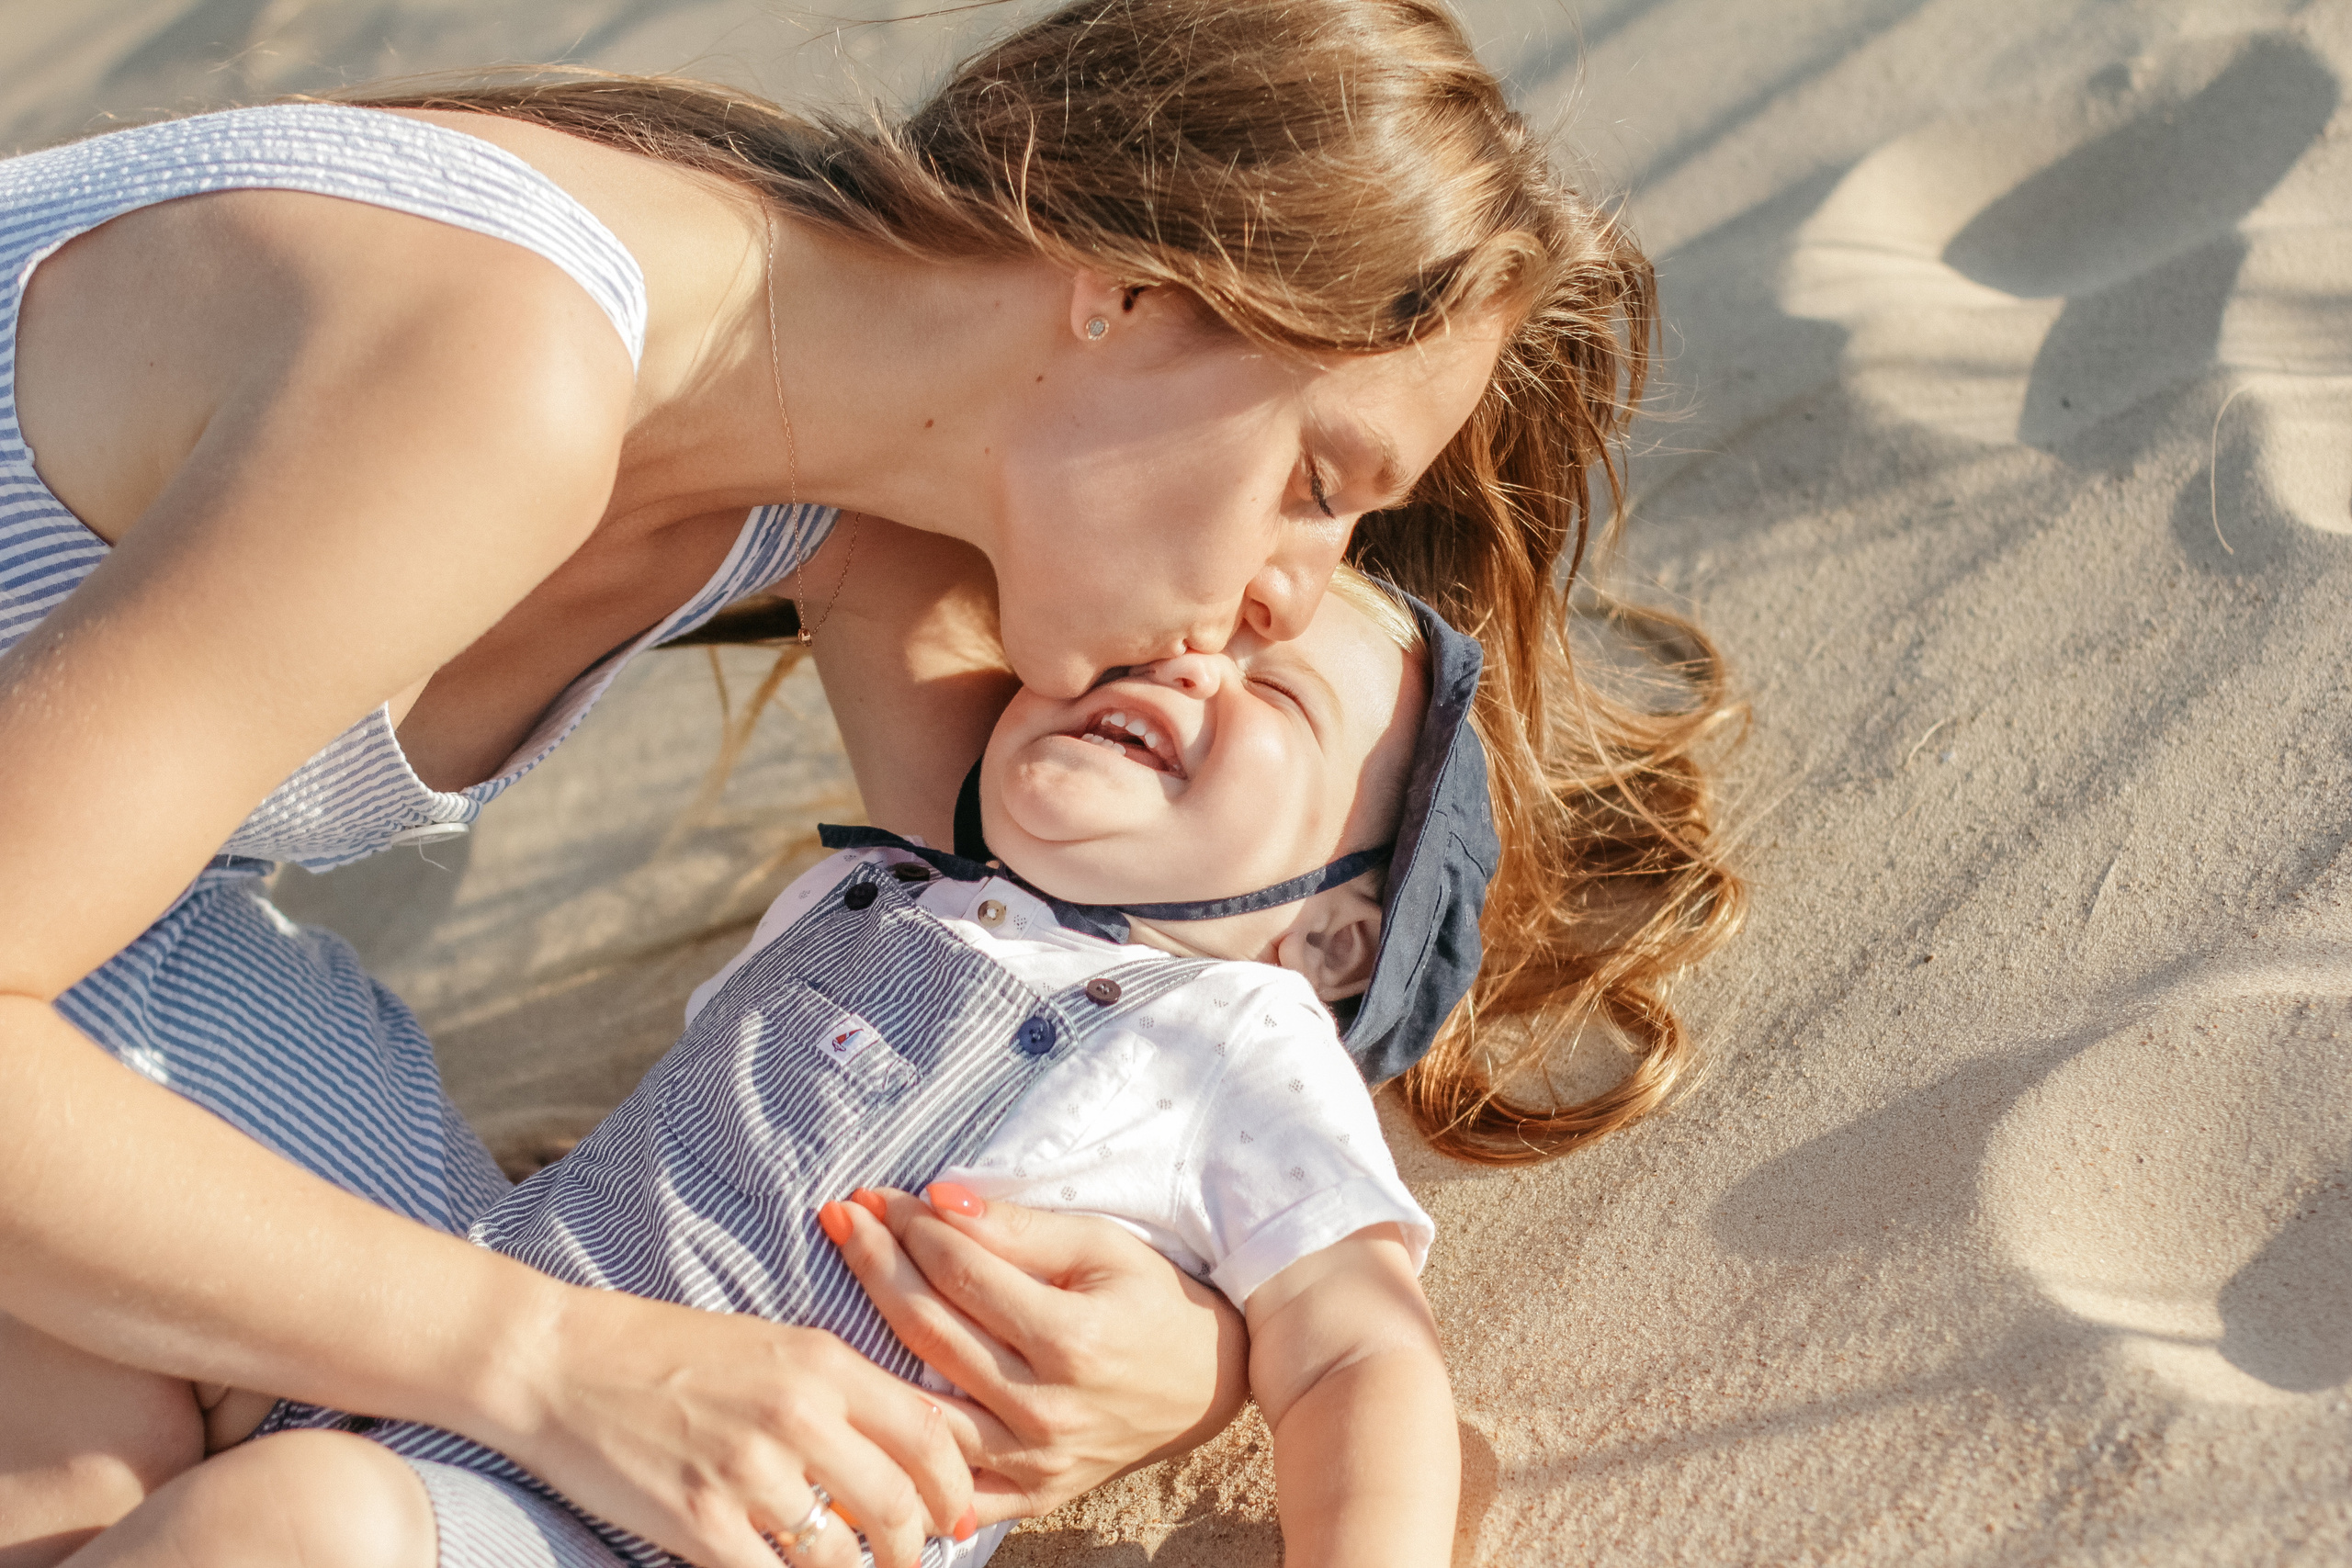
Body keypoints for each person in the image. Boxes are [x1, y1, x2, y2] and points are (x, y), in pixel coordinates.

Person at [0, 0, 1741, 1563]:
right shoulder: (508, 363)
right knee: (295, 1447)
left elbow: (1027, 968)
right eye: (1318, 476)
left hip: (121, 960)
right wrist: (544, 1360)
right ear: (1127, 294)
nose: (1301, 582)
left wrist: (1190, 1354)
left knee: (241, 1428)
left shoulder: (839, 451)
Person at [36, 566, 1486, 1568]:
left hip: (678, 1535)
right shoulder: (866, 895)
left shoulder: (1242, 1034)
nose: (1189, 660)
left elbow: (1362, 1353)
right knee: (73, 1335)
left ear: (1334, 940)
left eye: (1275, 696)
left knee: (298, 1520)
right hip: (470, 1365)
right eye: (1160, 640)